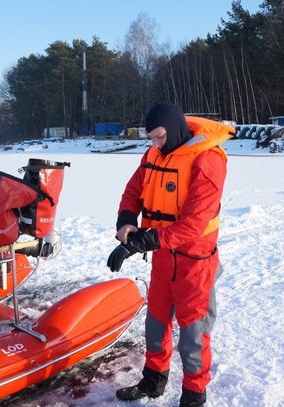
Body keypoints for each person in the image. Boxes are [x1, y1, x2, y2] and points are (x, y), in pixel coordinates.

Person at [107, 103, 235, 406]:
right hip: (163, 257)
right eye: (151, 138)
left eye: (160, 137)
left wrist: (142, 241)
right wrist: (126, 221)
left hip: (195, 262)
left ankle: (194, 394)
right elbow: (133, 191)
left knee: (193, 333)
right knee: (156, 322)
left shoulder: (207, 159)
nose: (155, 144)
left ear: (175, 130)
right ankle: (153, 380)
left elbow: (193, 225)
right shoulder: (153, 154)